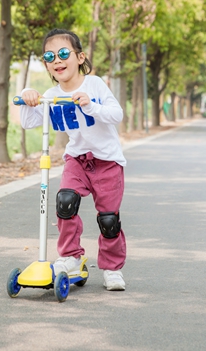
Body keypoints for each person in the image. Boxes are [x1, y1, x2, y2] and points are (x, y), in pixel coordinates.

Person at [19, 28, 127, 291]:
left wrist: (91, 105)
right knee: (65, 202)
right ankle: (70, 256)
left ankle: (112, 269)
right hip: (77, 160)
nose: (57, 60)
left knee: (108, 220)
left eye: (64, 53)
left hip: (107, 162)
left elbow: (117, 114)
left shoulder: (95, 84)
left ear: (80, 57)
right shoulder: (52, 94)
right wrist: (27, 97)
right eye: (49, 56)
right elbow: (29, 121)